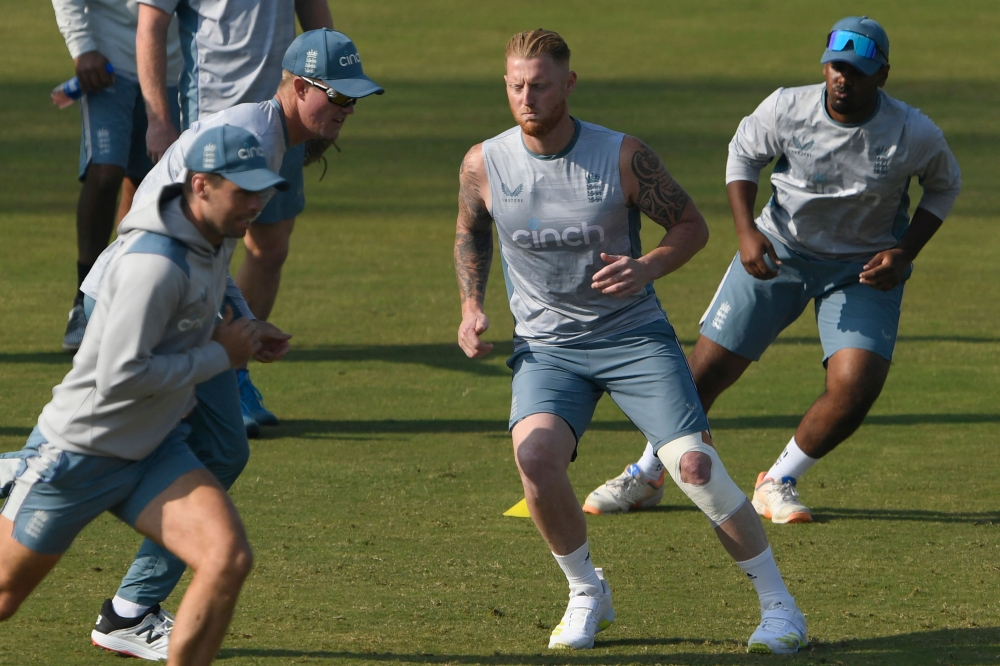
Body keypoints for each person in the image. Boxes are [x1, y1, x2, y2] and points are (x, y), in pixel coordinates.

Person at [454, 29, 807, 654]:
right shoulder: (485, 162)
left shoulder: (621, 156)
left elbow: (692, 226)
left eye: (539, 84)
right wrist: (471, 305)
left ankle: (781, 608)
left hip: (632, 337)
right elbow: (472, 232)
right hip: (547, 348)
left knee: (695, 467)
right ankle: (586, 592)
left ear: (568, 84)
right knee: (535, 460)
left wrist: (646, 268)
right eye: (515, 85)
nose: (527, 97)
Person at [583, 16, 962, 523]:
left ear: (883, 76)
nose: (843, 79)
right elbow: (743, 155)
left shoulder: (913, 131)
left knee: (856, 387)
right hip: (779, 251)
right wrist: (746, 233)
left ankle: (778, 481)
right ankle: (648, 473)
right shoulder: (788, 107)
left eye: (858, 70)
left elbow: (944, 184)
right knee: (702, 374)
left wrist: (906, 251)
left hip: (862, 268)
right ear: (825, 67)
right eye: (836, 67)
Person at [78, 29, 382, 660]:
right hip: (141, 304)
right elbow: (164, 225)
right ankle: (127, 610)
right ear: (299, 88)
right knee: (113, 449)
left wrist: (242, 316)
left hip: (173, 308)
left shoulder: (274, 138)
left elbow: (212, 249)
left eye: (355, 100)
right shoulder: (250, 135)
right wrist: (220, 320)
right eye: (338, 97)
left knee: (207, 447)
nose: (347, 111)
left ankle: (130, 609)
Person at [0, 126, 288, 666]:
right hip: (81, 452)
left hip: (155, 448)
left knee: (226, 558)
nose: (255, 204)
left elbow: (211, 292)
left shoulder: (213, 232)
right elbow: (119, 378)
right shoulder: (152, 266)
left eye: (262, 190)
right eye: (243, 191)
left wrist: (248, 327)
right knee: (5, 596)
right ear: (200, 186)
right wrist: (222, 356)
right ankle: (20, 468)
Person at [137, 0, 335, 433]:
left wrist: (331, 89)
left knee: (270, 247)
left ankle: (232, 371)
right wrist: (158, 118)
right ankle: (210, 376)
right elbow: (151, 23)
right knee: (207, 249)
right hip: (214, 115)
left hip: (288, 110)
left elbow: (314, 10)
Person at [51, 0, 183, 351]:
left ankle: (122, 297)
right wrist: (83, 47)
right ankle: (83, 302)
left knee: (150, 183)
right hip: (109, 58)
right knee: (107, 171)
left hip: (174, 65)